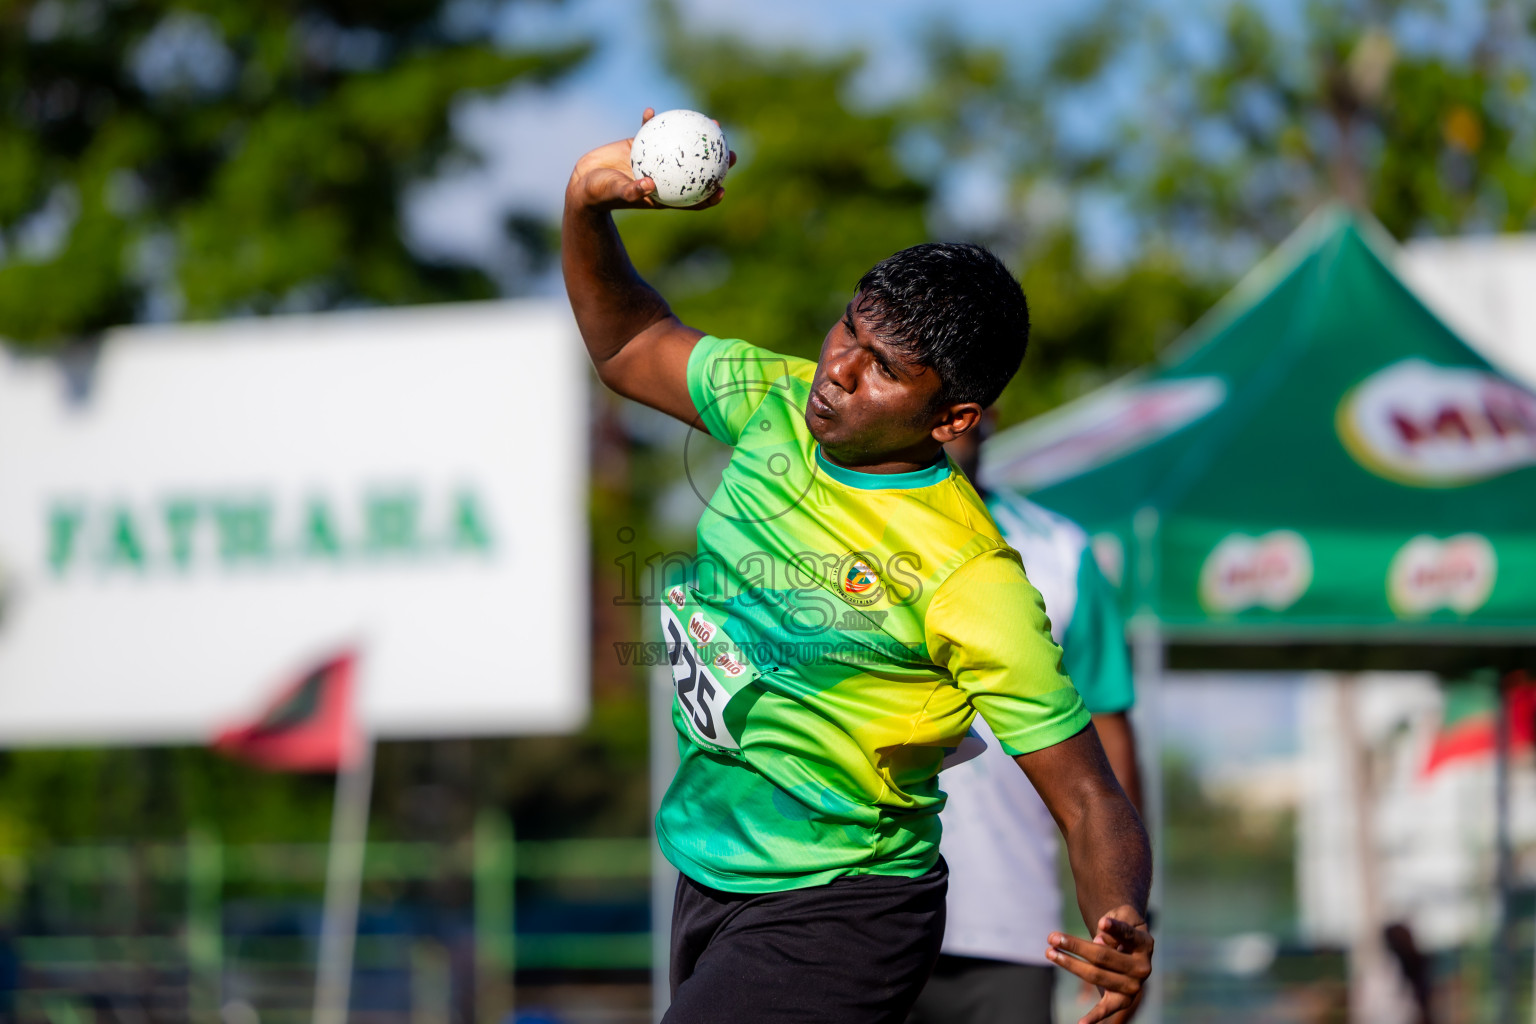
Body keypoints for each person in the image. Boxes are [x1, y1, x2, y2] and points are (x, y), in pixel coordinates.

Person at [562, 109, 1152, 1024]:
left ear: (954, 419)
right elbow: (630, 345)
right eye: (849, 329)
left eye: (882, 367)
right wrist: (586, 207)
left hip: (846, 903)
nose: (838, 368)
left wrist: (1121, 916)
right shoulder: (775, 401)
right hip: (712, 866)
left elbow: (1088, 793)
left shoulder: (972, 575)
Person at [909, 420, 1143, 1024]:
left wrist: (1127, 917)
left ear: (974, 408)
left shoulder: (1060, 551)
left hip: (1011, 926)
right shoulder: (827, 530)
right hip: (850, 914)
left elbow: (1109, 751)